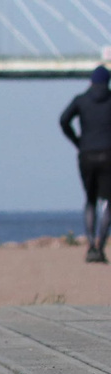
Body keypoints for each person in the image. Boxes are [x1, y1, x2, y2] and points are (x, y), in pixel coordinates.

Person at [63, 63, 111, 263]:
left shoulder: (80, 100)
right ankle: (101, 247)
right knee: (109, 202)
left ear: (91, 81)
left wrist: (78, 142)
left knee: (90, 200)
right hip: (109, 155)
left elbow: (63, 120)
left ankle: (90, 245)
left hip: (86, 156)